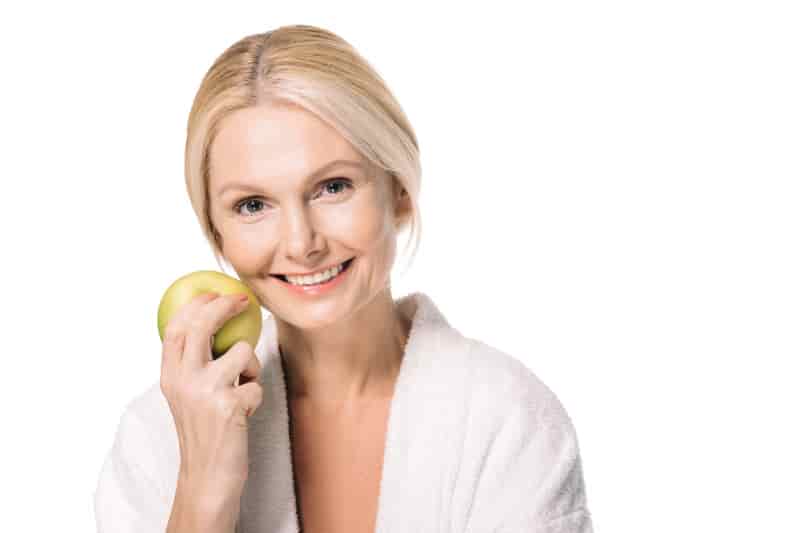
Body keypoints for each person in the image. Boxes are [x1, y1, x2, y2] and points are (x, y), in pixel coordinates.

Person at [94, 24, 595, 533]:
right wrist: (202, 492)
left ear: (399, 192)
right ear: (216, 232)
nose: (300, 243)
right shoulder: (156, 439)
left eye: (333, 187)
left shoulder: (507, 420)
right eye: (253, 204)